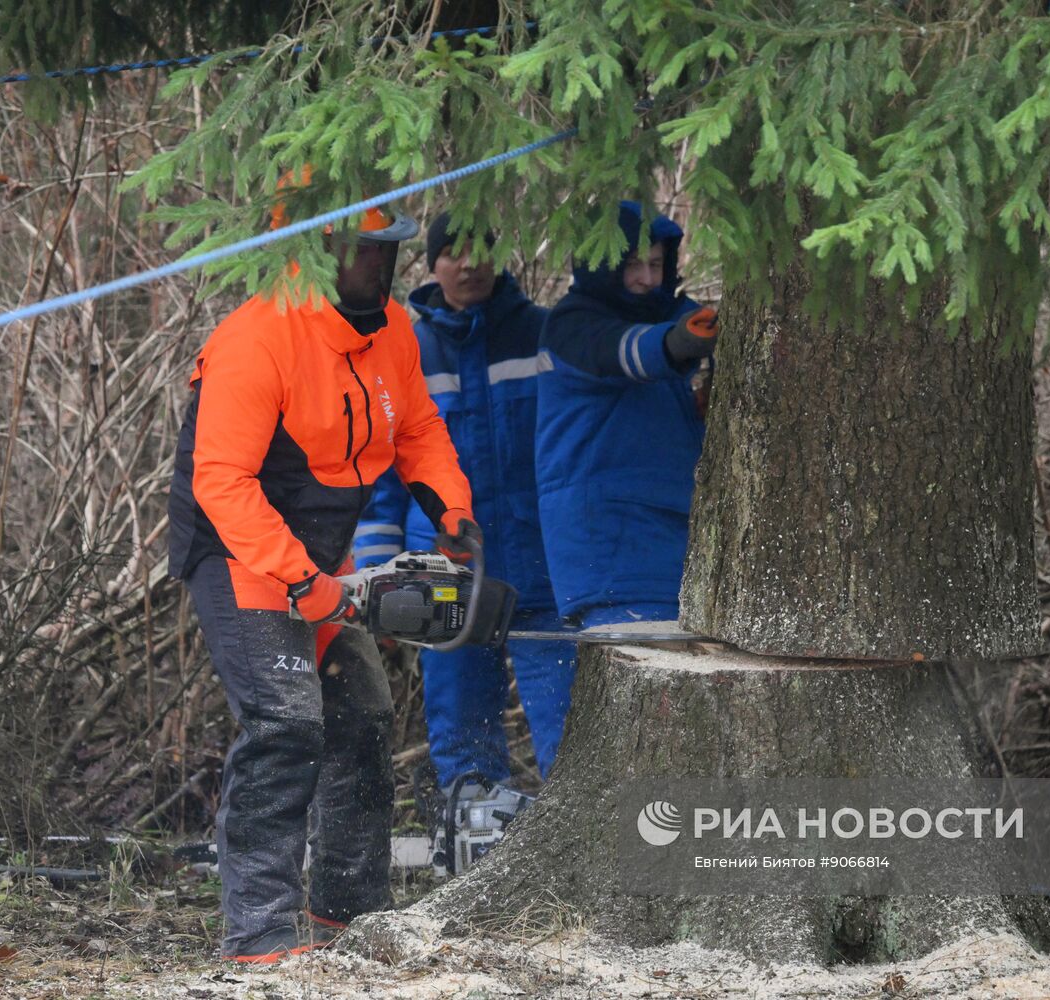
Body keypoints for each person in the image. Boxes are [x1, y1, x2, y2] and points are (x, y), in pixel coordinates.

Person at [167, 204, 480, 963]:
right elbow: (222, 480)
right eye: (363, 252)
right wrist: (301, 580)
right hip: (239, 548)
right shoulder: (257, 336)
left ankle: (349, 907)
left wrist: (452, 510)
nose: (380, 266)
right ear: (316, 251)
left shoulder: (392, 333)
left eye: (386, 252)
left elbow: (416, 431)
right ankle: (260, 930)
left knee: (364, 717)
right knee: (285, 724)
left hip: (323, 551)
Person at [354, 213, 574, 869]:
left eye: (481, 248)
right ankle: (477, 860)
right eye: (452, 253)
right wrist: (375, 573)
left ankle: (575, 858)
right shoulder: (407, 351)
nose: (468, 265)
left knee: (565, 719)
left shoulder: (541, 334)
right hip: (443, 576)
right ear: (431, 265)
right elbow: (380, 471)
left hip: (540, 568)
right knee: (460, 723)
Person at [535, 200, 718, 627]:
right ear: (603, 263)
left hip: (672, 541)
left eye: (656, 264)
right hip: (613, 549)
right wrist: (676, 345)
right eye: (633, 265)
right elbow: (627, 351)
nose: (647, 279)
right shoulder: (572, 325)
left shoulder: (671, 312)